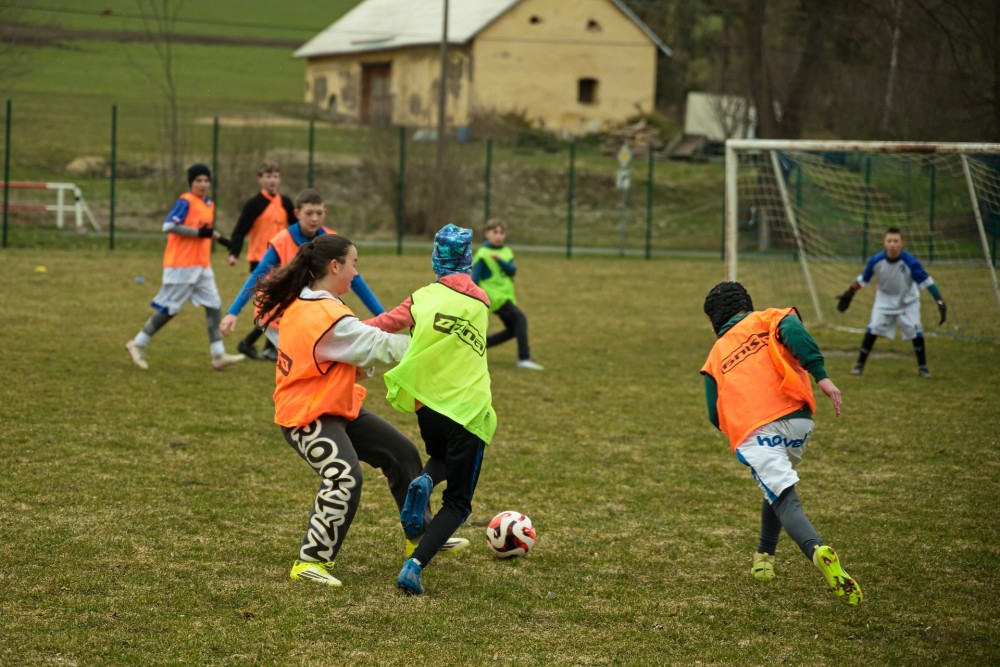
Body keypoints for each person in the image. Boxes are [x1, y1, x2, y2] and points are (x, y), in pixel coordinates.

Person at [253, 233, 467, 588]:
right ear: (335, 266)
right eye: (354, 263)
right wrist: (442, 344)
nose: (356, 272)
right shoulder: (324, 314)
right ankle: (310, 560)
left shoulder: (316, 303)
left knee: (402, 453)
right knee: (344, 475)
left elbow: (353, 349)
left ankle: (422, 535)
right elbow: (382, 346)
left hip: (334, 406)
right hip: (306, 416)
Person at [700, 281, 863, 606]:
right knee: (775, 486)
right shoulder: (771, 318)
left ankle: (817, 549)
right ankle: (764, 556)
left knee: (784, 497)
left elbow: (713, 414)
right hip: (799, 422)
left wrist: (741, 425)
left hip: (756, 429)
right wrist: (821, 375)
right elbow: (794, 330)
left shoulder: (716, 355)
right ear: (746, 303)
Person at [365, 224, 496, 595]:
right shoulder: (481, 303)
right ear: (468, 259)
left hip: (428, 406)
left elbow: (382, 324)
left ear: (435, 259)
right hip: (468, 409)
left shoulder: (421, 297)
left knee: (441, 456)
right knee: (458, 503)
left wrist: (338, 329)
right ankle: (415, 565)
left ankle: (424, 479)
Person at [219, 188, 385, 352]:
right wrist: (233, 311)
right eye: (309, 213)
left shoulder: (331, 241)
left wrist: (383, 316)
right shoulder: (282, 241)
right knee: (306, 357)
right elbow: (258, 274)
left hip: (307, 312)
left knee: (315, 357)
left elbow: (355, 279)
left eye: (319, 213)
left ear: (325, 212)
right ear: (297, 213)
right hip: (277, 314)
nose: (314, 218)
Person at [125, 163, 245, 371]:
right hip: (181, 265)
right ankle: (137, 343)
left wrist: (221, 239)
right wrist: (199, 234)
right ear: (191, 182)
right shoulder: (185, 201)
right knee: (170, 309)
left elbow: (203, 229)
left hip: (201, 264)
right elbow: (169, 226)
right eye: (198, 180)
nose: (203, 184)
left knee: (214, 304)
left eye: (206, 180)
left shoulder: (209, 204)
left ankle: (218, 354)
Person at [837, 226, 946, 378]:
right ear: (884, 243)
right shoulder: (876, 260)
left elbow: (927, 282)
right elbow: (862, 280)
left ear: (902, 243)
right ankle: (859, 365)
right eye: (889, 241)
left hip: (908, 301)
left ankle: (923, 367)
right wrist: (850, 293)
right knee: (873, 327)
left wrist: (939, 301)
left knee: (915, 329)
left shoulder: (910, 262)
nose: (892, 244)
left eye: (896, 241)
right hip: (884, 300)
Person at [226, 160, 296, 361]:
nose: (272, 180)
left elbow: (298, 228)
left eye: (275, 176)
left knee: (279, 305)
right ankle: (252, 344)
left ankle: (262, 346)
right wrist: (234, 252)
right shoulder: (254, 204)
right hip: (260, 261)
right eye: (268, 176)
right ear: (260, 179)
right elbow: (240, 230)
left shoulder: (286, 202)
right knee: (275, 306)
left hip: (283, 262)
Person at [471, 217, 543, 370]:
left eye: (501, 232)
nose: (498, 236)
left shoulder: (507, 252)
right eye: (494, 232)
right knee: (520, 319)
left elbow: (512, 271)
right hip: (494, 297)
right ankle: (524, 358)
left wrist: (499, 260)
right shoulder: (483, 254)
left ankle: (478, 345)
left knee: (513, 329)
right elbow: (474, 279)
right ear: (486, 233)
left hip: (506, 296)